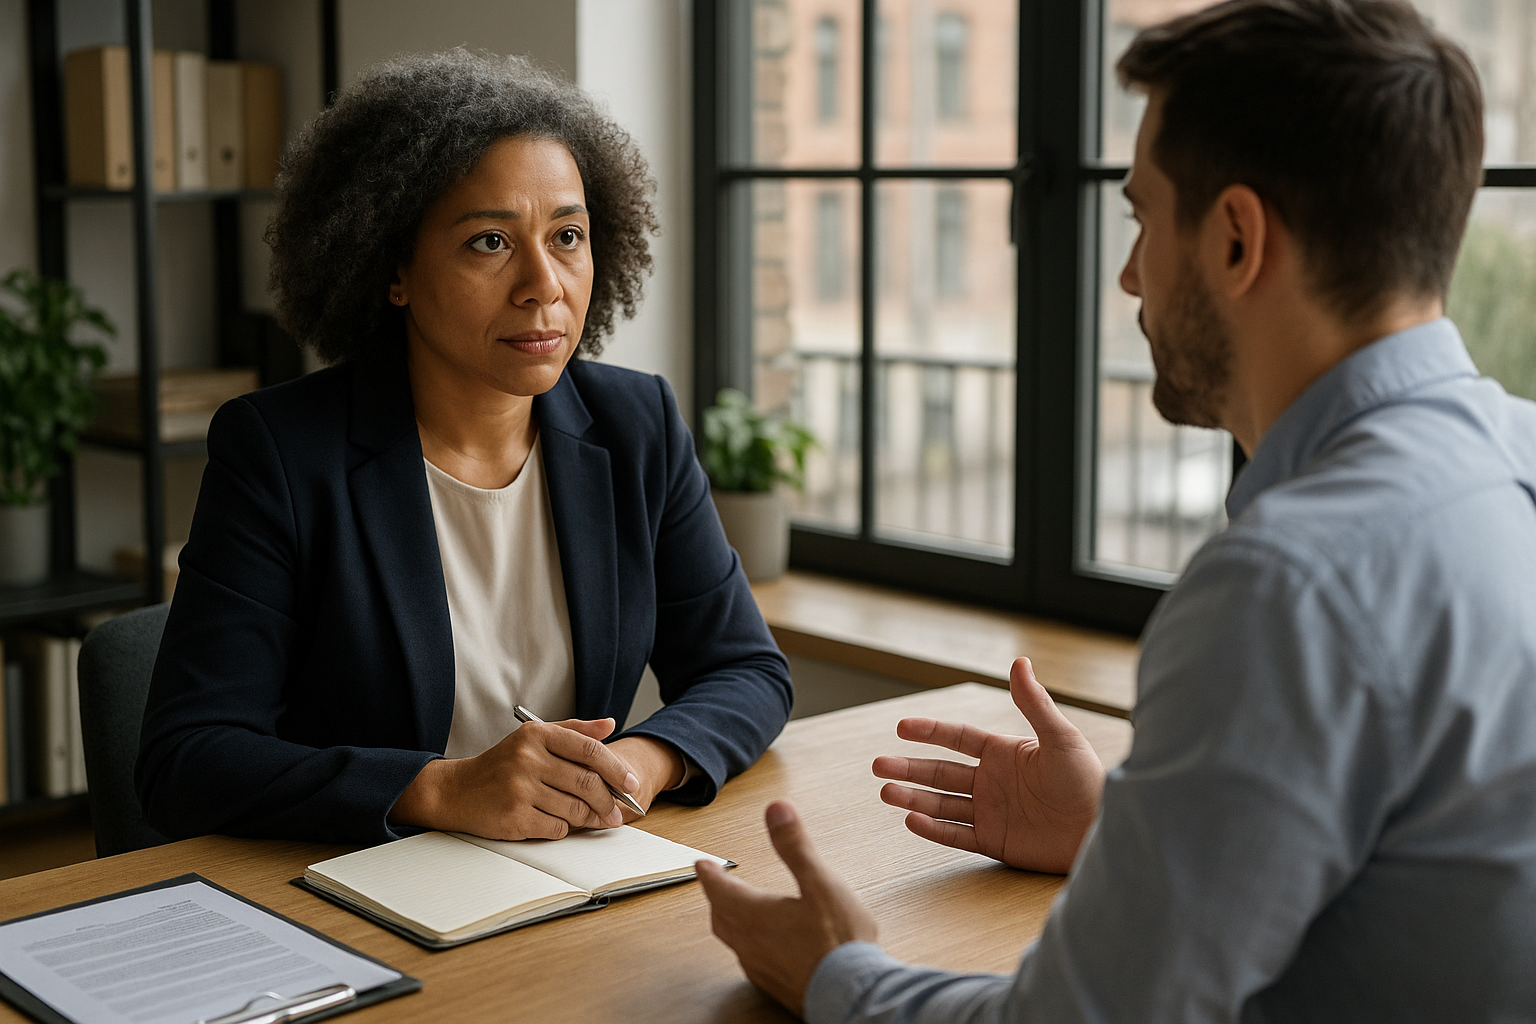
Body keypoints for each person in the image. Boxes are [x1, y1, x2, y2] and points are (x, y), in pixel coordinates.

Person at [698, 1, 1536, 1020]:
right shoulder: (1515, 460)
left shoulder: (1292, 582)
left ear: (1235, 239)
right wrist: (1127, 834)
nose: (1131, 275)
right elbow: (1418, 881)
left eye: (1141, 217)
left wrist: (837, 971)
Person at [135, 51, 793, 846]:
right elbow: (187, 758)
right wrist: (440, 790)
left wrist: (635, 767)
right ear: (395, 271)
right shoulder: (281, 453)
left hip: (569, 878)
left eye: (568, 236)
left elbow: (747, 671)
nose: (543, 284)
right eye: (489, 241)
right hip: (362, 886)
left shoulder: (636, 423)